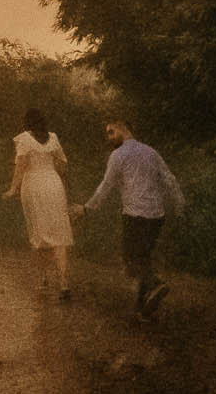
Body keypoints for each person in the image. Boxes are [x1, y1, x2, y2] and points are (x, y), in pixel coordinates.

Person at [72, 117, 185, 319]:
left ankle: (156, 284)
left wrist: (86, 208)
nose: (109, 137)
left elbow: (106, 186)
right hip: (156, 216)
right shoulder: (151, 152)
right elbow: (170, 179)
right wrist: (179, 206)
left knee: (131, 260)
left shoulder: (118, 155)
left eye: (111, 132)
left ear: (123, 129)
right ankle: (143, 309)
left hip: (135, 216)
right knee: (143, 259)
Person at [2, 106, 73, 299]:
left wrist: (13, 189)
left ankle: (43, 279)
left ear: (27, 122)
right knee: (59, 234)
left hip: (33, 185)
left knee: (38, 232)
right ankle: (64, 282)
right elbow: (63, 164)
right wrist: (52, 172)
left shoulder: (24, 139)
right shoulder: (53, 137)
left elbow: (20, 166)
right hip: (54, 184)